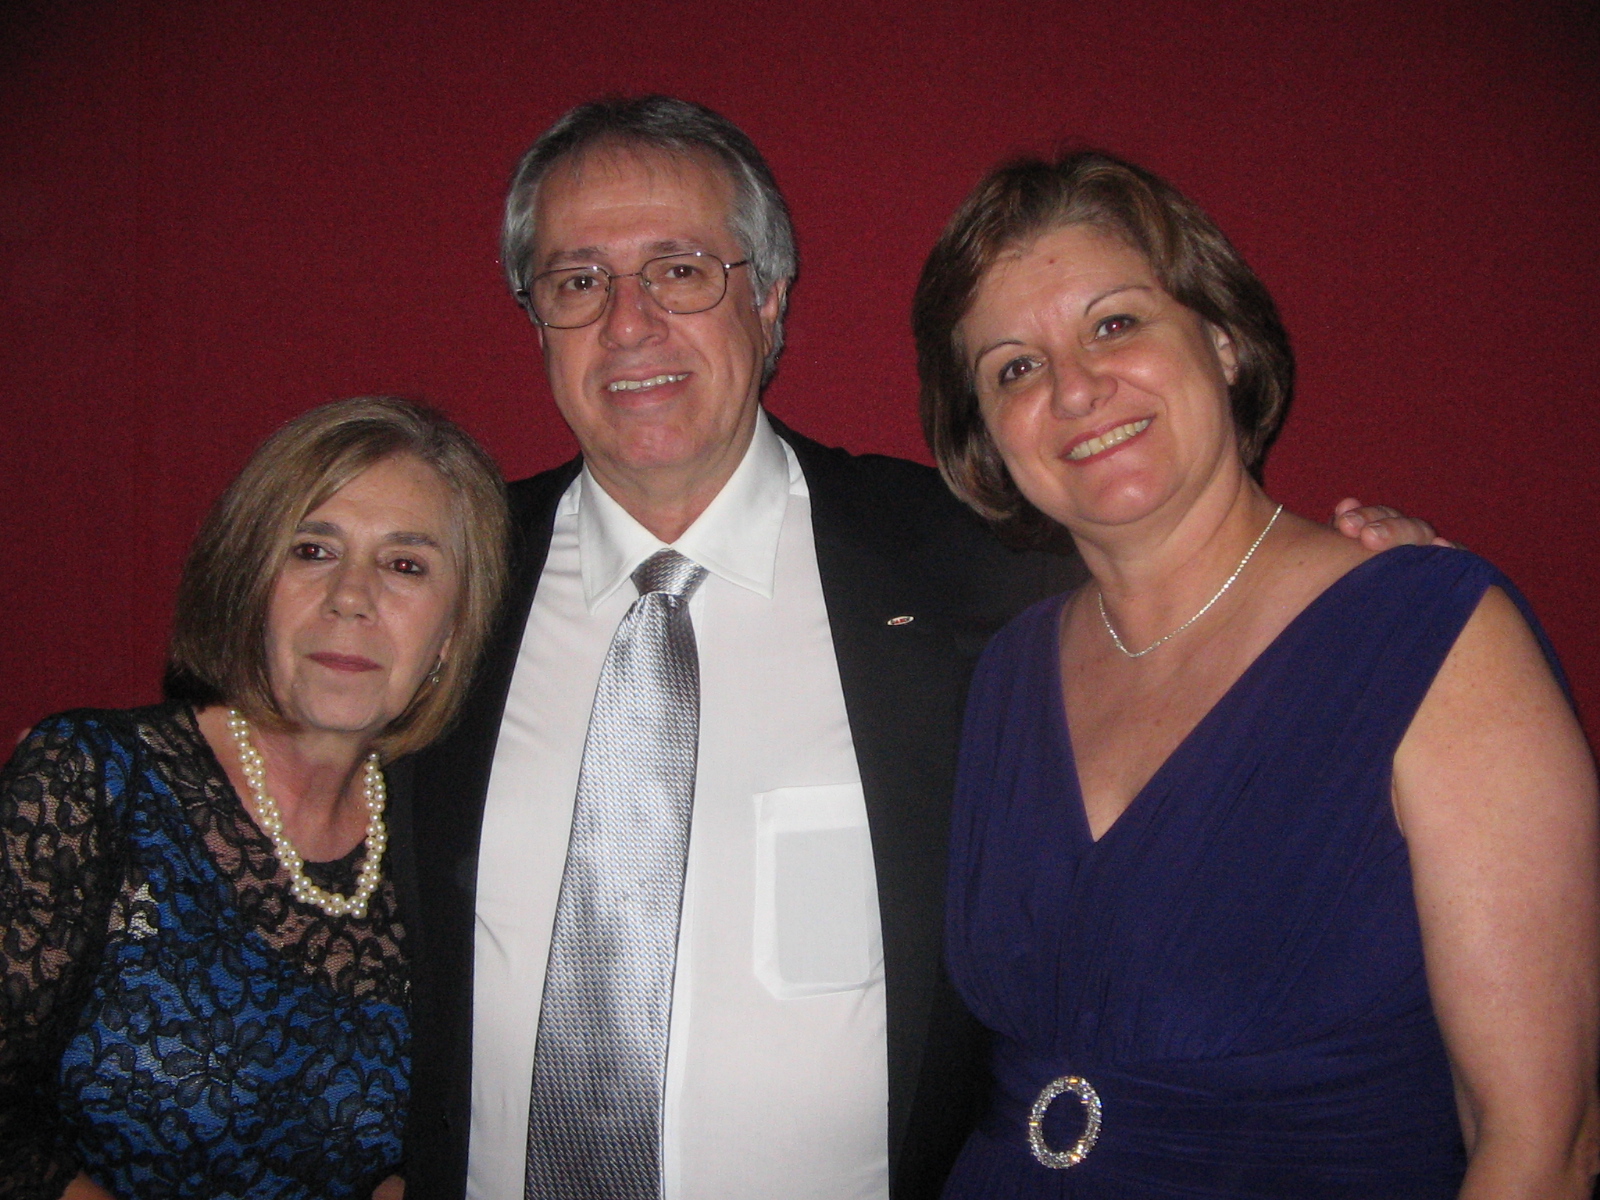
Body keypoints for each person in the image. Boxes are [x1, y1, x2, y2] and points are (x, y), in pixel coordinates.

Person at [394, 96, 1442, 1200]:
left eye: (681, 270)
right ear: (537, 321)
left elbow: (1203, 611)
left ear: (770, 299)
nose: (628, 323)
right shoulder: (436, 582)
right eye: (577, 282)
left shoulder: (983, 571)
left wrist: (1368, 590)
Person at [914, 150, 1600, 1197]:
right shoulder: (1006, 673)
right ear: (985, 438)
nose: (1075, 387)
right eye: (1014, 367)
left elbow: (1541, 1144)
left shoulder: (1431, 634)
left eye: (1115, 324)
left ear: (1223, 341)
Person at [0, 397, 510, 1200]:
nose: (351, 596)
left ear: (449, 635)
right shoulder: (92, 778)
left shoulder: (442, 831)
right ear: (248, 582)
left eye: (405, 565)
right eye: (313, 551)